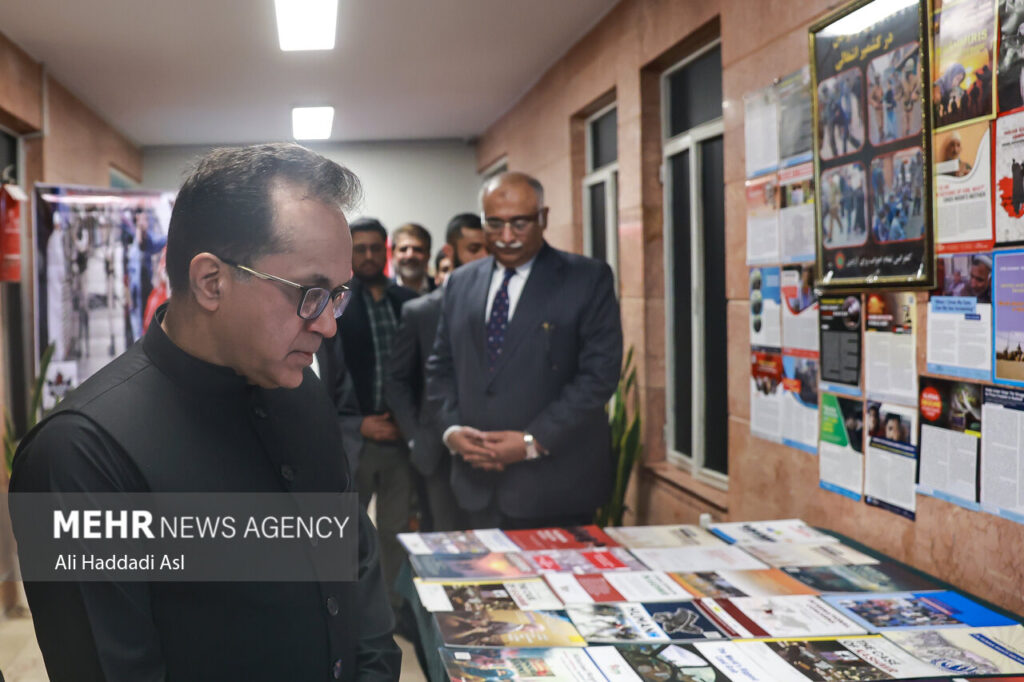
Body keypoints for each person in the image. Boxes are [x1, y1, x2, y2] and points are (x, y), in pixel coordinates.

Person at [9, 143, 401, 681]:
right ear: (211, 281)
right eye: (310, 293)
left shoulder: (300, 389)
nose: (328, 325)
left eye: (337, 295)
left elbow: (353, 558)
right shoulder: (81, 456)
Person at [426, 172, 623, 529]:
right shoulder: (460, 283)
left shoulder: (587, 279)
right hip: (473, 485)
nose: (506, 237)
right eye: (494, 224)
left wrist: (534, 441)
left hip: (554, 488)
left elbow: (599, 376)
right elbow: (441, 368)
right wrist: (452, 431)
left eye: (519, 224)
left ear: (543, 217)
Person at [329, 217, 417, 615]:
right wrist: (358, 422)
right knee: (346, 531)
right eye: (359, 248)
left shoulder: (407, 301)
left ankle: (390, 613)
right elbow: (330, 376)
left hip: (401, 438)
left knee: (395, 531)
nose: (367, 256)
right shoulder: (336, 304)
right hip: (355, 438)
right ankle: (349, 613)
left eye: (374, 248)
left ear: (386, 250)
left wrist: (409, 422)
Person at [385, 213, 487, 532]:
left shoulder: (505, 306)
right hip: (435, 447)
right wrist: (414, 437)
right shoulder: (421, 310)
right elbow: (397, 380)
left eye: (487, 248)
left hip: (491, 443)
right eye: (474, 248)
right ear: (451, 253)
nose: (483, 257)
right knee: (443, 535)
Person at [391, 222, 435, 294]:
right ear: (393, 254)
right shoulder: (382, 292)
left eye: (417, 249)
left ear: (428, 255)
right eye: (403, 249)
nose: (410, 255)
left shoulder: (443, 291)